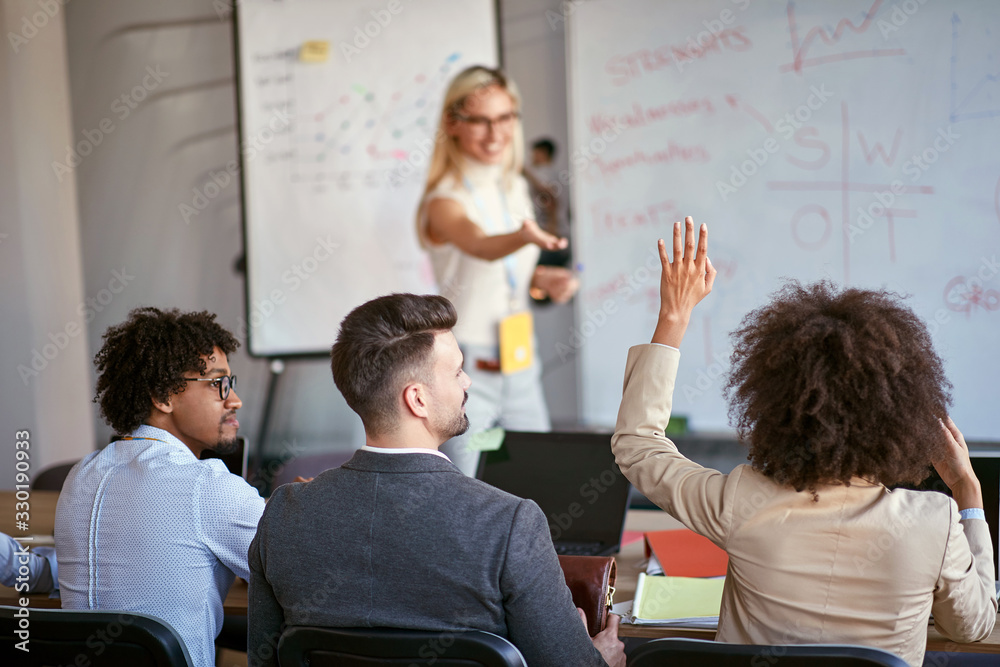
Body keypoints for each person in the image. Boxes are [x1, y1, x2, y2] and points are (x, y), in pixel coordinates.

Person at [611, 217, 997, 666]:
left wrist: (673, 317)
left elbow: (638, 446)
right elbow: (973, 626)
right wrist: (968, 490)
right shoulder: (935, 522)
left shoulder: (743, 500)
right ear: (901, 416)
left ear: (774, 405)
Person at [248, 293, 624, 667]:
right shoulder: (508, 524)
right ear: (418, 399)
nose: (469, 383)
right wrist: (600, 659)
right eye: (458, 370)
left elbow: (263, 661)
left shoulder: (282, 516)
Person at [54, 307, 265, 667]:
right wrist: (303, 509)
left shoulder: (80, 474)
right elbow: (304, 565)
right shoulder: (206, 485)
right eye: (218, 383)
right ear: (163, 396)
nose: (234, 400)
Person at [416, 65, 579, 476]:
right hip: (468, 369)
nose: (495, 133)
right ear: (453, 123)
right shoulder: (443, 200)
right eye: (481, 121)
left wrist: (543, 282)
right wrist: (524, 237)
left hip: (521, 359)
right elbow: (481, 246)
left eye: (505, 118)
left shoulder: (513, 187)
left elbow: (506, 275)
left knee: (538, 481)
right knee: (469, 491)